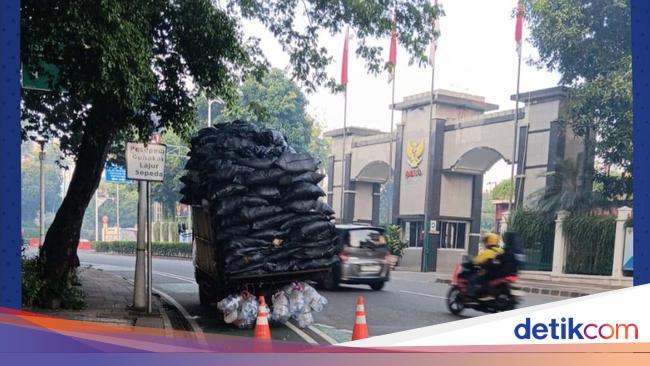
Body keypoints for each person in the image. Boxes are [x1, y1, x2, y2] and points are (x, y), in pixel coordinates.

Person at [467, 232, 504, 298]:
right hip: (499, 275)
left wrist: (473, 261)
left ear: (489, 241)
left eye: (486, 241)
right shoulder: (501, 251)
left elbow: (476, 261)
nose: (485, 243)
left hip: (487, 275)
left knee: (472, 279)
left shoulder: (487, 252)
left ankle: (471, 296)